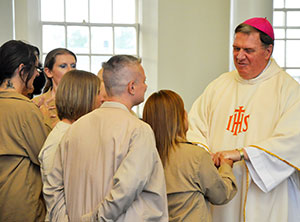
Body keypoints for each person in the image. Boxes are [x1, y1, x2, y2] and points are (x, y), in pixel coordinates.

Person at [187, 17, 300, 222]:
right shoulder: (218, 86)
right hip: (222, 190)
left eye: (248, 50)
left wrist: (241, 154)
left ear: (268, 52)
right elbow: (194, 127)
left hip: (269, 197)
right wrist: (206, 156)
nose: (240, 56)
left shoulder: (289, 90)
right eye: (236, 48)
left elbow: (292, 140)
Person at [44, 55, 168, 221]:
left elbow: (53, 186)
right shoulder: (139, 130)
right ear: (131, 87)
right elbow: (125, 189)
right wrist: (94, 219)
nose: (146, 86)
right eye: (144, 81)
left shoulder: (75, 128)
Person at [143, 89, 237, 221]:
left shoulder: (144, 156)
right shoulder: (196, 156)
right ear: (180, 118)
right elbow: (221, 195)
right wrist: (226, 167)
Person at [39, 69, 103, 221]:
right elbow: (56, 198)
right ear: (84, 97)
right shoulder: (62, 138)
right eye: (98, 93)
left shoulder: (72, 133)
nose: (102, 99)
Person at [0, 40, 51, 221]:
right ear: (22, 69)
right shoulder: (25, 109)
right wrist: (45, 118)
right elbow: (44, 154)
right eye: (36, 68)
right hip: (20, 201)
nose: (37, 74)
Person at [32, 48, 77, 128]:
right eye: (63, 66)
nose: (70, 70)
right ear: (48, 72)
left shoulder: (86, 102)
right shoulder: (36, 104)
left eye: (73, 66)